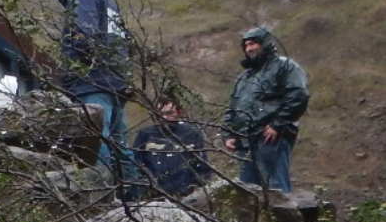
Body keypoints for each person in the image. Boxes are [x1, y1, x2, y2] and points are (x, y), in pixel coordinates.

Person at [47, 0, 130, 176]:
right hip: (115, 82)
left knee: (96, 139)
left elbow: (84, 36)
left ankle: (102, 190)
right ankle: (132, 193)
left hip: (92, 82)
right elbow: (125, 43)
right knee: (121, 145)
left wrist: (79, 72)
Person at [222, 27, 308, 194]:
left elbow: (299, 95)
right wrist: (228, 133)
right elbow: (232, 107)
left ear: (265, 43)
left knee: (276, 189)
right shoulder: (244, 77)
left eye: (253, 43)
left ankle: (282, 212)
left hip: (270, 137)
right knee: (247, 193)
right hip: (244, 140)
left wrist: (277, 125)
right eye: (246, 45)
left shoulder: (285, 66)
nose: (249, 49)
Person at [132, 96, 211, 197]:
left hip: (186, 197)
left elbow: (203, 168)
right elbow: (135, 165)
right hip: (153, 197)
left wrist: (194, 191)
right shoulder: (145, 134)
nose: (164, 117)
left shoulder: (192, 134)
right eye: (160, 113)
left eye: (169, 113)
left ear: (179, 113)